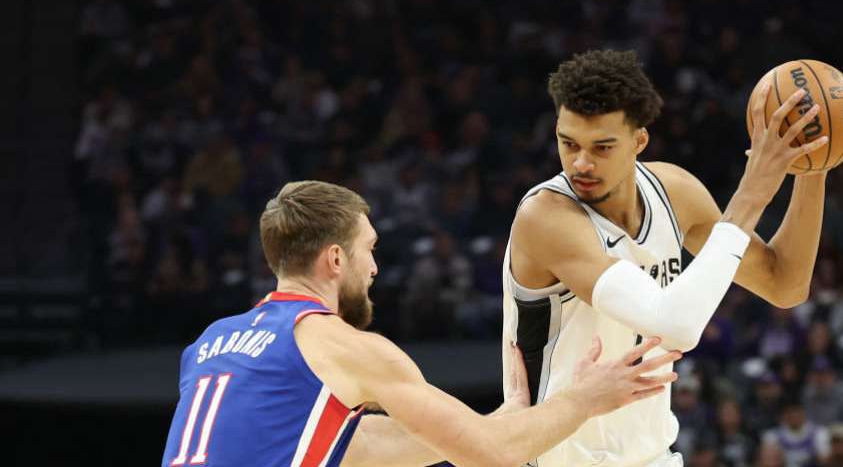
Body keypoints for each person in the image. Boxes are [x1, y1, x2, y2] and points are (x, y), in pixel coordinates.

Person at [502, 49, 843, 466]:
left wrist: (814, 163)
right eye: (569, 144)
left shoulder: (674, 192)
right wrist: (753, 191)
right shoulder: (546, 218)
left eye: (602, 147)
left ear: (639, 141)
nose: (581, 163)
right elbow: (676, 326)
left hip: (654, 457)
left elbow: (784, 284)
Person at [161, 180, 681, 467]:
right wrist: (584, 398)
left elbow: (360, 446)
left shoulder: (211, 343)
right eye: (369, 250)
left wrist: (498, 420)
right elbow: (492, 457)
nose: (374, 268)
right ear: (336, 259)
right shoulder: (343, 346)